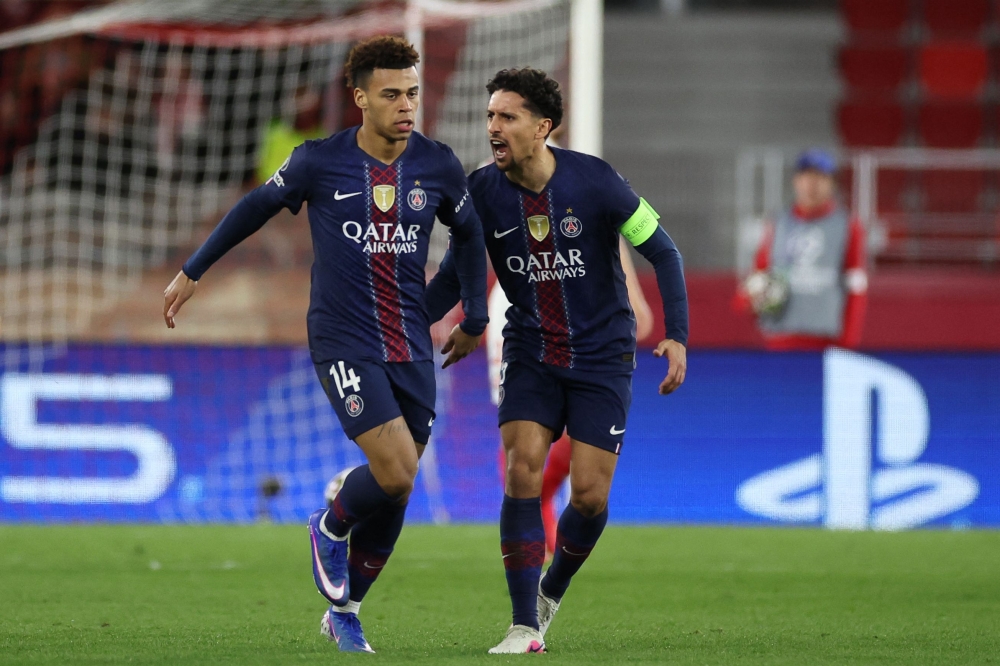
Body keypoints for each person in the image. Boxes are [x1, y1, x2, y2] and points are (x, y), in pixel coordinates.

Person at [162, 36, 488, 654]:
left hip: (409, 339)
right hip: (343, 339)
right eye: (391, 94)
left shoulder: (439, 165)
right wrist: (194, 270)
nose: (405, 105)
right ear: (360, 98)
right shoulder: (318, 161)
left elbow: (469, 236)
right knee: (394, 469)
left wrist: (471, 313)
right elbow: (254, 208)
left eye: (412, 93)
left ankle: (346, 613)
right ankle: (329, 523)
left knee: (400, 482)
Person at [425, 68, 689, 654]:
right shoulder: (480, 194)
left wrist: (677, 334)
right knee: (521, 469)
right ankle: (523, 625)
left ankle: (552, 589)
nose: (494, 126)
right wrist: (403, 321)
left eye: (508, 116)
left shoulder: (596, 182)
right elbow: (450, 277)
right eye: (491, 115)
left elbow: (663, 252)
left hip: (602, 354)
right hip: (531, 349)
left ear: (543, 127)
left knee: (591, 496)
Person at [736, 149, 867, 350]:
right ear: (796, 181)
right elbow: (759, 272)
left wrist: (848, 342)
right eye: (806, 176)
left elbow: (856, 286)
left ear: (832, 183)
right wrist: (748, 298)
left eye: (820, 177)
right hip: (780, 338)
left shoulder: (847, 226)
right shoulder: (778, 223)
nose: (812, 184)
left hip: (826, 339)